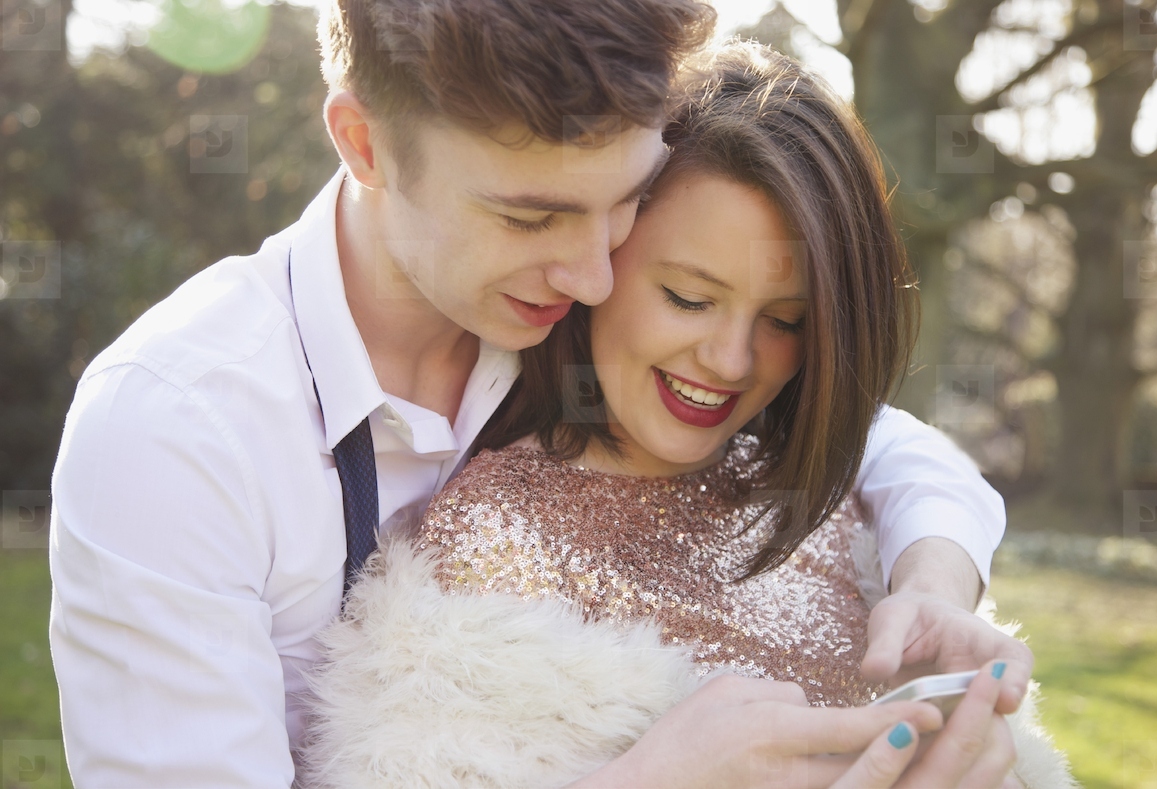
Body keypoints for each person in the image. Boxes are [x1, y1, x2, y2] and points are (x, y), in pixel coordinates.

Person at [49, 2, 1029, 786]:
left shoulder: (579, 310)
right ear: (364, 144)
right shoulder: (174, 432)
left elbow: (883, 442)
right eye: (535, 214)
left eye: (624, 203)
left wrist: (931, 579)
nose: (595, 274)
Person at [299, 41, 1074, 789]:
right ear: (604, 255)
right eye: (688, 298)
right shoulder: (498, 532)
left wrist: (935, 590)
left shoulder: (820, 488)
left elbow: (905, 452)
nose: (731, 361)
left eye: (786, 319)